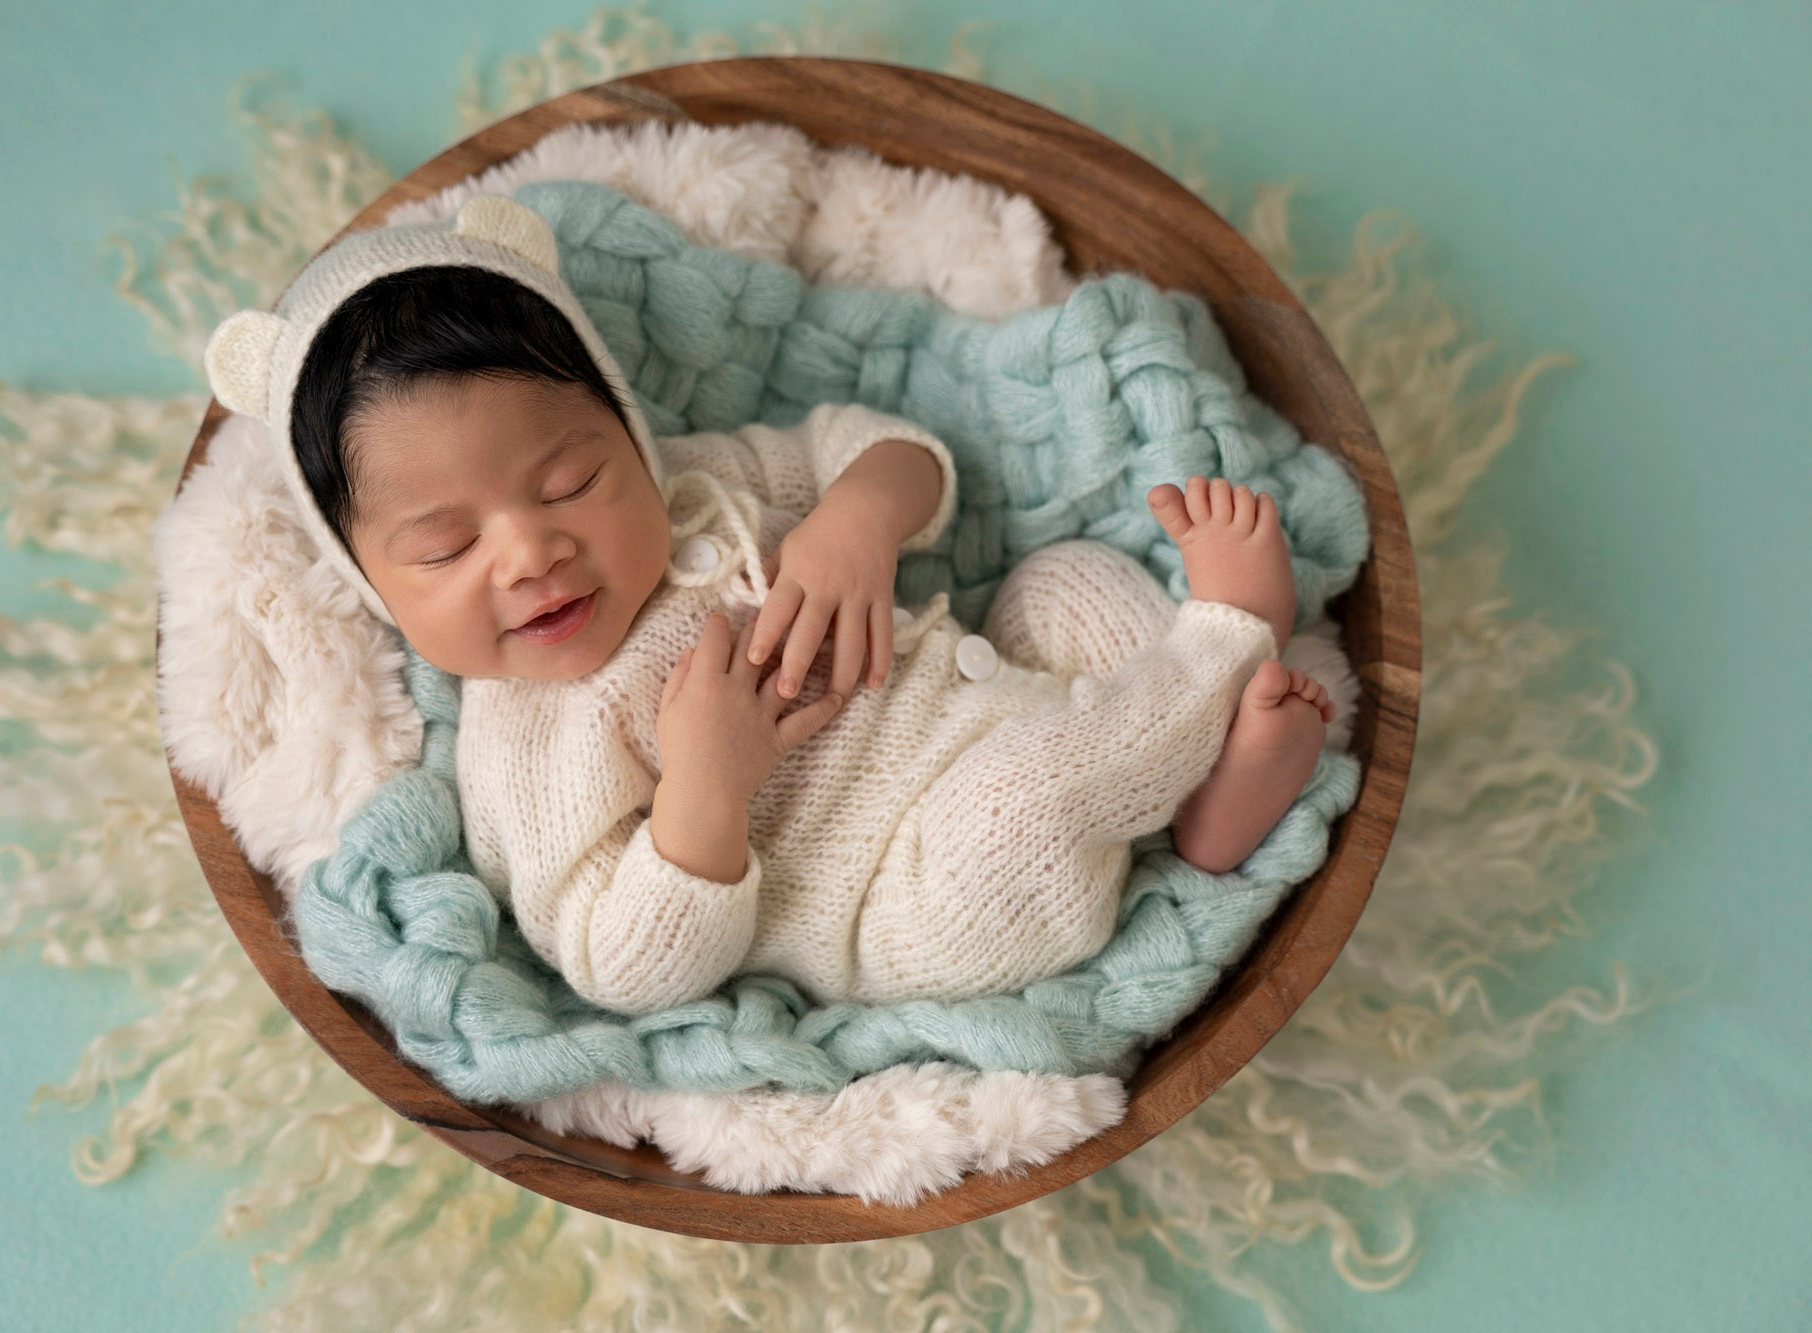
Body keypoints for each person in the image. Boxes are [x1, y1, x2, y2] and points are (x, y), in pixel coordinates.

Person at [204, 195, 1335, 1017]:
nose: (529, 550)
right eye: (445, 546)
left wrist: (856, 517)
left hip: (997, 699)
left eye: (569, 483)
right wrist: (705, 784)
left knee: (1068, 585)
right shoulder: (527, 750)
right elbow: (618, 962)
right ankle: (1226, 638)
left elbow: (896, 452)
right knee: (1019, 804)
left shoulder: (708, 491)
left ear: (631, 442)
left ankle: (1205, 806)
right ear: (372, 588)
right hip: (906, 892)